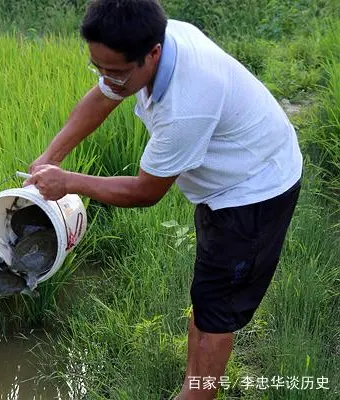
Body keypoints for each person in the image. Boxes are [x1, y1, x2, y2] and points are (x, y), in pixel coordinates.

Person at [23, 0, 303, 399]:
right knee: (208, 297)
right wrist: (51, 156)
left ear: (152, 53)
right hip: (228, 180)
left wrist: (69, 181)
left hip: (254, 192)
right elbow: (102, 97)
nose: (107, 79)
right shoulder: (152, 42)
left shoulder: (187, 104)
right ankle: (195, 383)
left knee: (217, 313)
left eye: (116, 72)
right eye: (98, 67)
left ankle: (198, 393)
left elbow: (146, 191)